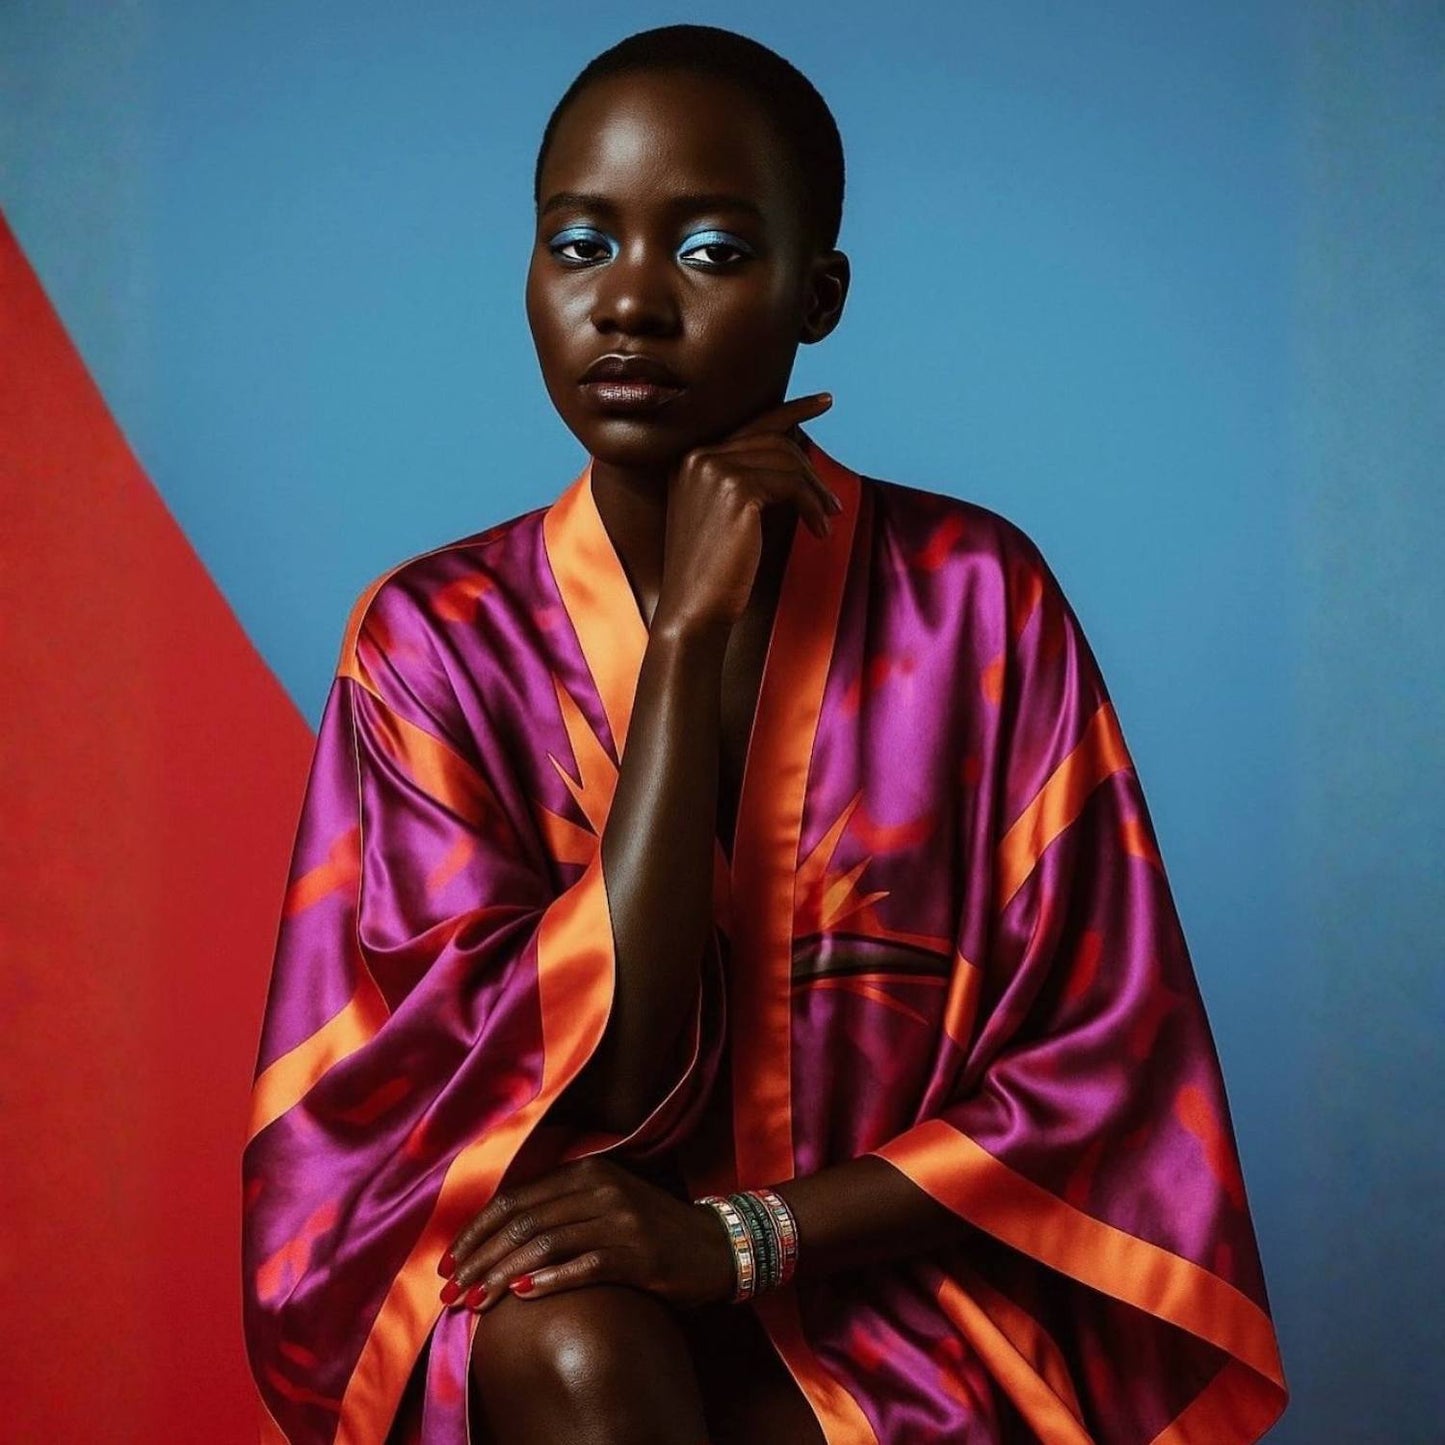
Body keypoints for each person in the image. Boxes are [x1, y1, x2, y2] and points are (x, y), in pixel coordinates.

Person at [242, 23, 1289, 1445]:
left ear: (819, 293)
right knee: (569, 1342)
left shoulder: (973, 600)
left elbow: (1092, 1069)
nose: (629, 303)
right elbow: (602, 1078)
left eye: (711, 251)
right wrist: (686, 646)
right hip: (568, 1280)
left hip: (905, 1292)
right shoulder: (435, 638)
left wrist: (741, 1239)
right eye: (578, 244)